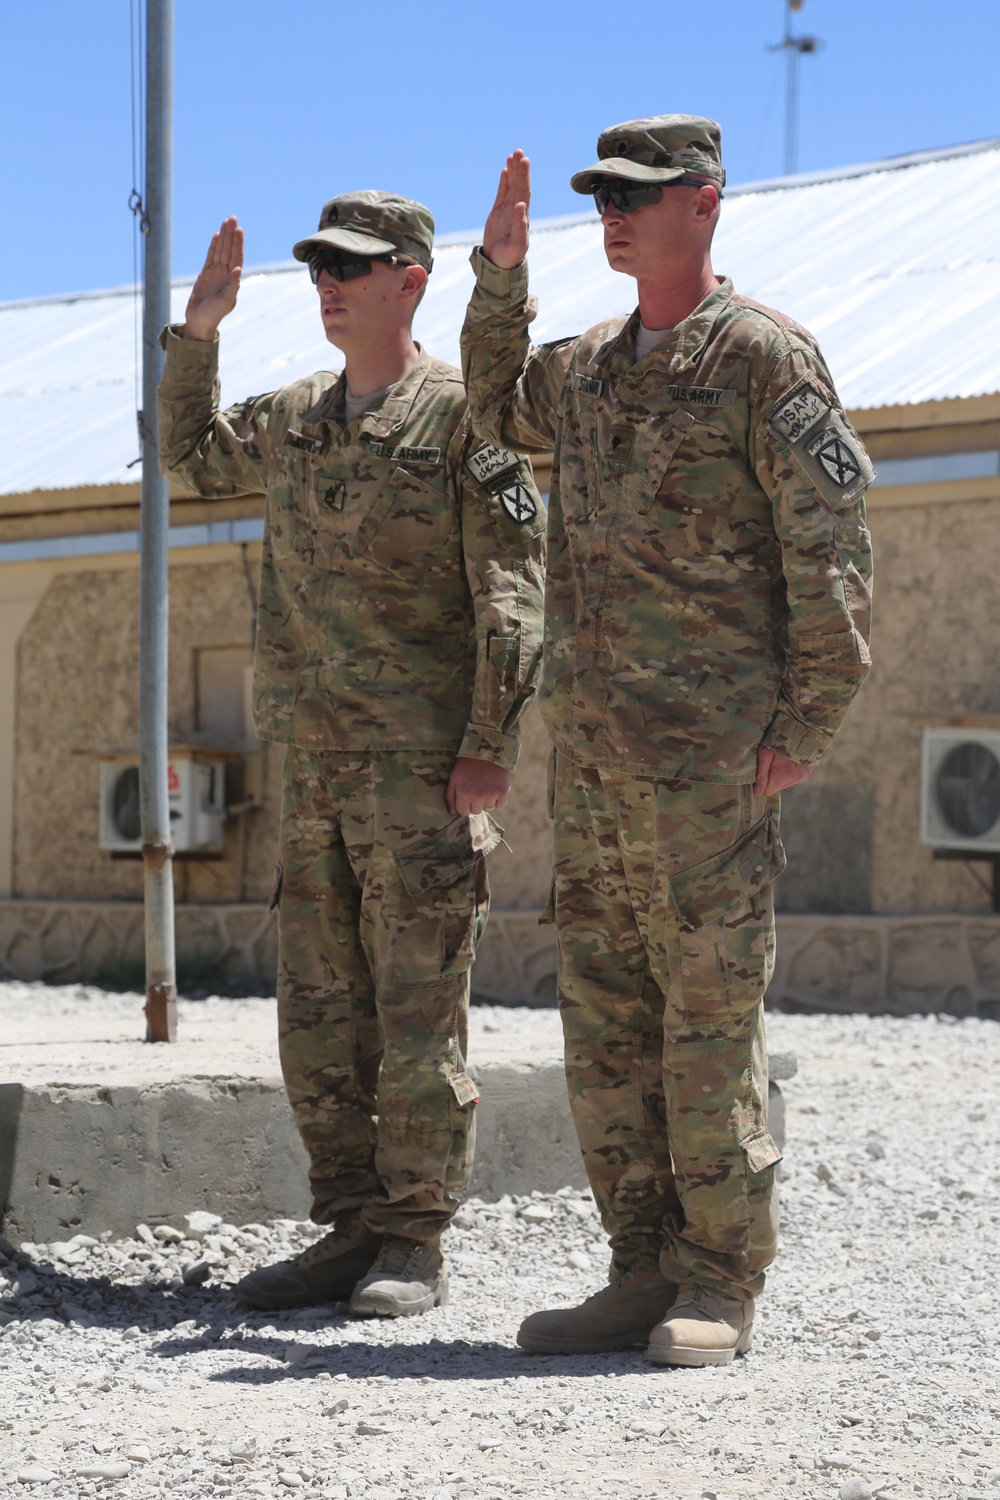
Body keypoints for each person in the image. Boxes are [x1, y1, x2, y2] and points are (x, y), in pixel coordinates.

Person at [461, 117, 873, 1365]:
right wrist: (499, 278)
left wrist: (806, 722)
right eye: (603, 195)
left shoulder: (764, 359)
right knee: (606, 1023)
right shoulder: (584, 367)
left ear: (703, 201)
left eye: (639, 193)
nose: (615, 212)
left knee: (705, 1019)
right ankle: (636, 1270)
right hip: (594, 761)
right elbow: (489, 408)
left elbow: (832, 543)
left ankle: (720, 1282)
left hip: (711, 760)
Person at [159, 191, 545, 1318]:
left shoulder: (465, 421)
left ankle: (413, 1243)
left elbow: (511, 595)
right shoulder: (291, 418)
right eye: (320, 267)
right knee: (319, 1015)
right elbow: (188, 457)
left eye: (354, 268)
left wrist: (488, 747)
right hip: (316, 767)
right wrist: (199, 334)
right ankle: (344, 1229)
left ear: (411, 280)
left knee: (417, 1016)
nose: (330, 285)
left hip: (422, 772)